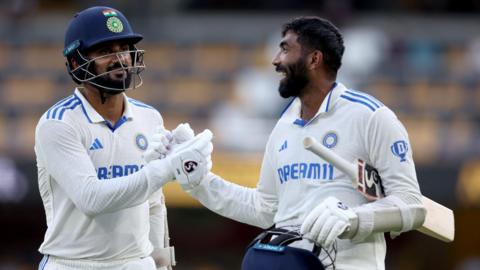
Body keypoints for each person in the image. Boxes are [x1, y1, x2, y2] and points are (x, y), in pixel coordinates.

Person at [168, 17, 427, 269]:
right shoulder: (284, 125)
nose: (275, 60)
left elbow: (412, 205)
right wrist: (202, 184)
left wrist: (354, 219)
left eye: (285, 50)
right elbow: (265, 208)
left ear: (314, 59)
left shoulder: (371, 117)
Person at [35, 6, 212, 270]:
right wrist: (164, 169)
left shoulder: (149, 117)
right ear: (76, 62)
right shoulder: (57, 123)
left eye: (123, 49)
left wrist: (161, 260)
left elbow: (153, 203)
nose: (120, 59)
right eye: (105, 52)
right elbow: (91, 199)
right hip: (72, 263)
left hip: (135, 263)